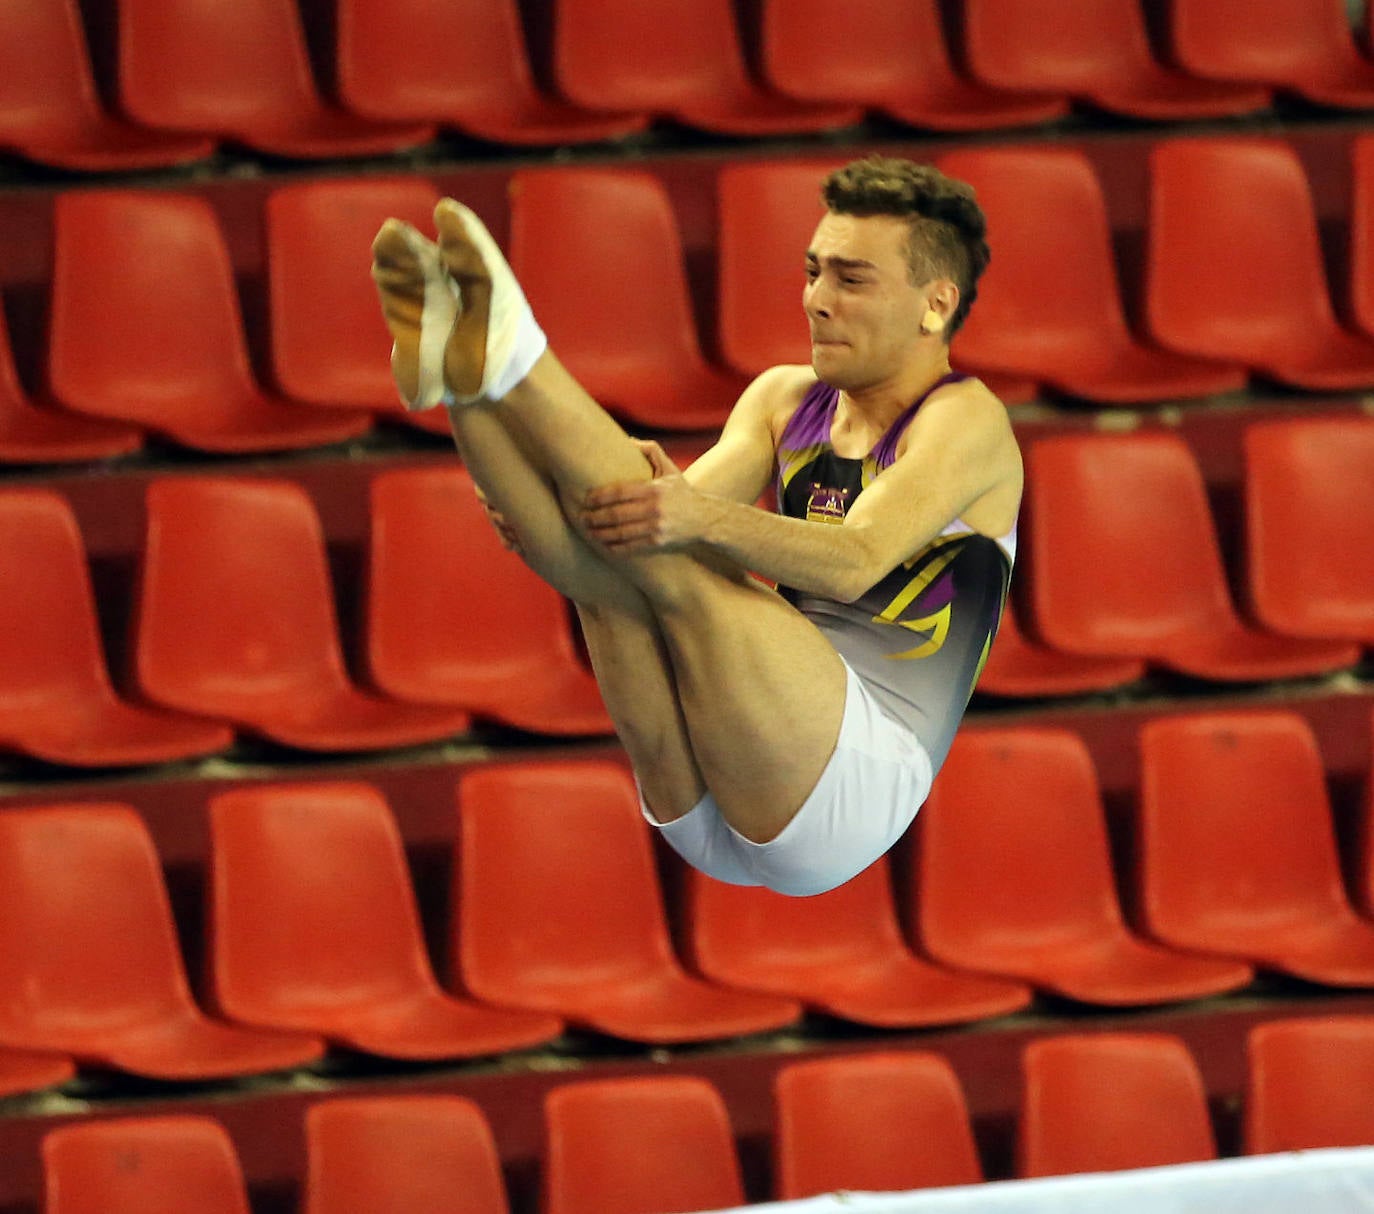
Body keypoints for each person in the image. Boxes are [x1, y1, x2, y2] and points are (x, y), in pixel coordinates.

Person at [370, 156, 1022, 897]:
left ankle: (516, 356)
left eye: (851, 279)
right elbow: (644, 529)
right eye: (813, 272)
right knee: (620, 573)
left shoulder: (965, 421)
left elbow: (853, 559)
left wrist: (684, 513)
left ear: (935, 306)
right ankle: (461, 378)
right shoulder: (783, 398)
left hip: (852, 786)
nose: (816, 300)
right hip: (720, 792)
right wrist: (554, 512)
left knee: (684, 571)